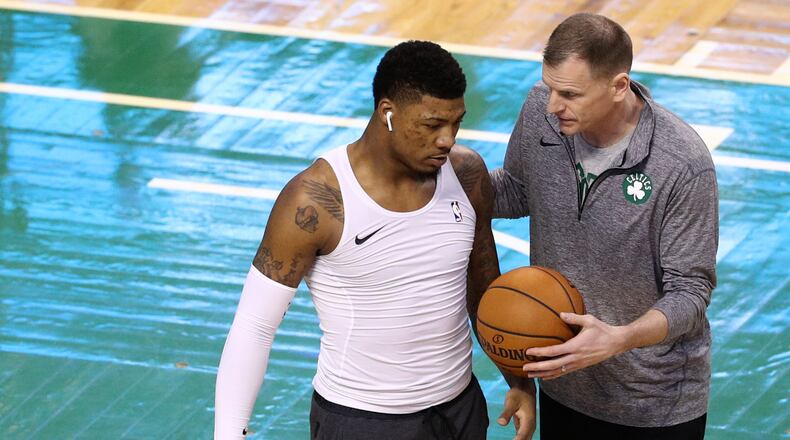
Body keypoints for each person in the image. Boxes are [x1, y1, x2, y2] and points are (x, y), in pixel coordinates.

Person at [215, 40, 535, 440]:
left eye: (456, 123)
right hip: (361, 421)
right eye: (432, 124)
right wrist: (228, 434)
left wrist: (519, 382)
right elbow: (254, 326)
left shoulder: (466, 175)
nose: (447, 139)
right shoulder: (316, 201)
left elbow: (484, 287)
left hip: (459, 411)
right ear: (388, 113)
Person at [490, 13, 718, 439]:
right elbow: (517, 191)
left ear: (619, 86)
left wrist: (620, 338)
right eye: (550, 87)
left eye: (570, 94)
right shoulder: (543, 116)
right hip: (565, 384)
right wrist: (439, 174)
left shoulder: (682, 164)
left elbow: (690, 293)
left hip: (653, 404)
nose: (553, 104)